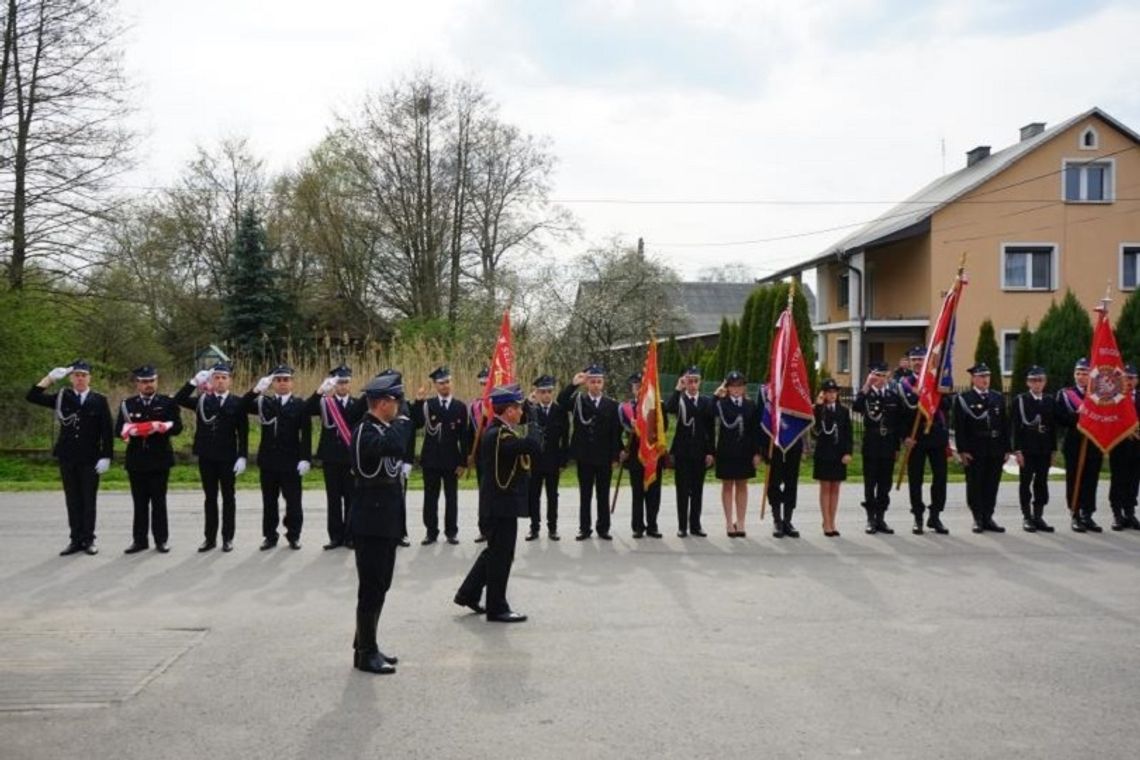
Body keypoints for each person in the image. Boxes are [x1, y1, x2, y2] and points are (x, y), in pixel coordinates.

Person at [454, 383, 542, 623]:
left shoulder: (499, 431)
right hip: (500, 506)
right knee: (502, 556)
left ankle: (468, 593)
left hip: (498, 505)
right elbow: (534, 445)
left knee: (495, 553)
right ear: (509, 411)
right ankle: (497, 607)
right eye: (519, 408)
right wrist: (534, 420)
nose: (521, 413)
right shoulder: (499, 435)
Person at [349, 370, 414, 675]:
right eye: (396, 400)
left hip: (385, 519)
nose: (400, 406)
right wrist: (402, 423)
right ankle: (365, 652)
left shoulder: (384, 427)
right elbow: (395, 446)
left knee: (381, 584)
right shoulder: (367, 430)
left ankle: (366, 641)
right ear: (382, 402)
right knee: (371, 587)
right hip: (371, 520)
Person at [26, 360, 113, 556]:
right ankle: (75, 540)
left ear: (89, 378)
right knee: (72, 500)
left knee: (88, 500)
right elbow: (32, 396)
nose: (80, 378)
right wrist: (49, 379)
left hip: (91, 457)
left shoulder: (99, 399)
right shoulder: (62, 397)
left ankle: (89, 540)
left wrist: (106, 456)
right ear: (71, 378)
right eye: (76, 375)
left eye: (84, 375)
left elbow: (106, 431)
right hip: (68, 456)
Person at [174, 362, 249, 552]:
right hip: (207, 455)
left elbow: (243, 432)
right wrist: (192, 382)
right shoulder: (202, 400)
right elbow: (178, 399)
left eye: (224, 377)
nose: (220, 381)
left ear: (230, 380)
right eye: (217, 377)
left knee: (228, 498)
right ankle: (210, 538)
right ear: (211, 380)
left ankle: (227, 538)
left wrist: (242, 456)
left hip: (228, 456)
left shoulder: (238, 402)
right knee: (210, 498)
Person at [244, 364, 313, 550]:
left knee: (293, 502)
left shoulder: (299, 405)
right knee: (269, 502)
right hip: (269, 461)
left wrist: (306, 458)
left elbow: (306, 433)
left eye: (286, 380)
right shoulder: (264, 402)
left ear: (292, 382)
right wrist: (256, 390)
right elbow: (241, 406)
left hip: (291, 461)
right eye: (278, 380)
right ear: (273, 383)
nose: (282, 383)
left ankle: (293, 535)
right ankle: (270, 536)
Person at [117, 365, 183, 554]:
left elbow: (178, 427)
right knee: (139, 503)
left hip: (159, 459)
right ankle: (139, 541)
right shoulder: (127, 404)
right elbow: (118, 430)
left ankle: (161, 540)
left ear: (157, 381)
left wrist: (161, 426)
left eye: (151, 381)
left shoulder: (167, 403)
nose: (148, 385)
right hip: (136, 460)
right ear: (137, 383)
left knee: (159, 502)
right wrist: (133, 430)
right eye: (144, 381)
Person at [558, 364, 622, 540]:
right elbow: (561, 401)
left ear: (603, 384)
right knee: (585, 495)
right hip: (584, 456)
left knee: (603, 494)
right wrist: (573, 384)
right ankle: (584, 528)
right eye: (592, 381)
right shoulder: (578, 400)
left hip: (604, 456)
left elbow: (616, 433)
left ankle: (603, 528)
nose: (595, 385)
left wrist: (616, 455)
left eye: (598, 382)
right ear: (587, 384)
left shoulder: (612, 404)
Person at [306, 365, 365, 550]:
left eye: (346, 382)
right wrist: (320, 391)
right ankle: (335, 537)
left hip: (350, 458)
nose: (342, 386)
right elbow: (306, 409)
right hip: (330, 457)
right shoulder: (325, 402)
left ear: (350, 383)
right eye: (339, 382)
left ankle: (350, 536)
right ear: (334, 384)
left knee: (351, 499)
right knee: (333, 499)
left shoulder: (358, 404)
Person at [412, 366, 469, 545]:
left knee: (451, 497)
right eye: (441, 383)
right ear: (435, 385)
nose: (445, 386)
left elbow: (464, 437)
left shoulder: (460, 406)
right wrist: (418, 402)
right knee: (430, 497)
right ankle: (431, 532)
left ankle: (451, 532)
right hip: (431, 460)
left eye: (448, 382)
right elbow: (418, 424)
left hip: (452, 460)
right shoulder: (428, 405)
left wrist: (463, 462)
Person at [898, 346, 952, 535]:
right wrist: (904, 437)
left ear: (927, 361)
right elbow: (901, 414)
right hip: (916, 437)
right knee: (915, 479)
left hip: (936, 436)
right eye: (914, 359)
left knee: (940, 478)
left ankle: (935, 516)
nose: (918, 362)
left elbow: (947, 406)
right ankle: (918, 517)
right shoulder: (904, 384)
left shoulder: (936, 381)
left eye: (921, 359)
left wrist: (934, 394)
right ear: (910, 362)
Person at [954, 363, 1010, 533]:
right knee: (975, 484)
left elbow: (1004, 425)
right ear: (973, 379)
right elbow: (959, 427)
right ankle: (977, 517)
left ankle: (988, 517)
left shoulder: (998, 397)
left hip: (995, 448)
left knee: (992, 484)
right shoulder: (964, 399)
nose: (985, 380)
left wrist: (1007, 448)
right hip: (974, 448)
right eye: (981, 377)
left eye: (987, 376)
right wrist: (962, 450)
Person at [664, 366, 716, 537]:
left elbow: (710, 429)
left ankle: (695, 525)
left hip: (700, 452)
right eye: (689, 381)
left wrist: (711, 452)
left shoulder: (706, 401)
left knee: (697, 490)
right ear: (684, 381)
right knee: (683, 490)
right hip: (682, 453)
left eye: (695, 381)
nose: (692, 385)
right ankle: (682, 526)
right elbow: (669, 409)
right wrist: (678, 388)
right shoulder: (679, 399)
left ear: (700, 382)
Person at [852, 361, 900, 534]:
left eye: (884, 376)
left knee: (885, 484)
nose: (880, 379)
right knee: (870, 482)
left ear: (888, 377)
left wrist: (896, 448)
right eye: (877, 375)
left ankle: (881, 518)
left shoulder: (893, 396)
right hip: (872, 443)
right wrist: (866, 386)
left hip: (888, 444)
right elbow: (856, 407)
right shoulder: (867, 395)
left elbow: (897, 424)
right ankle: (870, 518)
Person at [1056, 358, 1103, 532]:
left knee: (1091, 479)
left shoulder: (1099, 394)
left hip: (1094, 443)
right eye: (1078, 373)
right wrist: (1079, 417)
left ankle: (1087, 514)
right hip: (1074, 443)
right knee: (1074, 478)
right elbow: (1059, 417)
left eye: (1084, 373)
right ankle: (1075, 514)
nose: (1081, 377)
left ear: (1090, 375)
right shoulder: (1065, 394)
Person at [711, 370, 759, 537]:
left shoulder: (750, 405)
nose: (737, 389)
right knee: (727, 486)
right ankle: (728, 523)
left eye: (740, 386)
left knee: (742, 485)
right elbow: (708, 413)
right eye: (733, 386)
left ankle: (740, 522)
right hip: (726, 451)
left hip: (745, 452)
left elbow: (755, 431)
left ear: (744, 388)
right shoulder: (721, 404)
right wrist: (716, 396)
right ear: (728, 388)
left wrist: (757, 453)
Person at [619, 372, 667, 539]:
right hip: (635, 456)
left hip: (653, 455)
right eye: (636, 386)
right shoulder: (626, 408)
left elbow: (664, 428)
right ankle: (638, 526)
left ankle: (652, 526)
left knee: (654, 492)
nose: (639, 388)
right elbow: (622, 429)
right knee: (637, 493)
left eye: (642, 385)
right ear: (632, 388)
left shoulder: (658, 407)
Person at [1011, 365, 1057, 533]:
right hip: (1027, 448)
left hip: (1044, 448)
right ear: (1027, 383)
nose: (1037, 384)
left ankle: (1038, 516)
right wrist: (1017, 450)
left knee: (1042, 483)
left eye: (1040, 380)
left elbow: (1052, 427)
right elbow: (1015, 427)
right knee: (1025, 483)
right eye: (1033, 380)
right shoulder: (1020, 400)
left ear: (1045, 382)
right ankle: (1027, 517)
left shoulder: (1050, 400)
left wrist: (1053, 450)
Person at [759, 383, 806, 538]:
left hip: (793, 442)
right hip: (773, 443)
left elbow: (804, 415)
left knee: (791, 482)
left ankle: (788, 520)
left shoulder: (797, 389)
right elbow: (760, 419)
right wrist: (762, 449)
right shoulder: (765, 391)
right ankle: (777, 519)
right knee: (774, 482)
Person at [525, 374, 569, 541]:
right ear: (536, 392)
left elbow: (565, 437)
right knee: (533, 495)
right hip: (535, 460)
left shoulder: (559, 411)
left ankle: (553, 528)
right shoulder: (531, 409)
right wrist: (528, 402)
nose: (546, 395)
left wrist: (563, 460)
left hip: (553, 460)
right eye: (542, 392)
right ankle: (534, 528)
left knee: (552, 495)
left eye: (549, 391)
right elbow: (520, 419)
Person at [812, 379, 853, 537]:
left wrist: (848, 453)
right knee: (825, 487)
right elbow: (814, 432)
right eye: (828, 392)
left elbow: (848, 434)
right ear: (823, 394)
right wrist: (818, 407)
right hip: (823, 454)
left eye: (834, 392)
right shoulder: (818, 410)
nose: (831, 395)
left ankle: (832, 520)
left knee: (835, 488)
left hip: (839, 454)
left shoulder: (843, 411)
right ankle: (826, 521)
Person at [1108, 364, 1140, 531]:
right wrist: (1125, 431)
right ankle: (1117, 513)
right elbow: (1109, 418)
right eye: (1125, 377)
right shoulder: (1115, 397)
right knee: (1118, 479)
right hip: (1119, 445)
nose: (1128, 381)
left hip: (1137, 446)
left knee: (1134, 480)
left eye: (1132, 378)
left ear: (1137, 380)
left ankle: (1130, 512)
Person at [467, 366, 491, 544]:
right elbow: (469, 433)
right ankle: (484, 529)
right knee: (483, 493)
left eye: (487, 383)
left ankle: (496, 529)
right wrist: (470, 455)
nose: (485, 387)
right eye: (482, 384)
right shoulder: (474, 406)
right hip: (482, 455)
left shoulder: (500, 404)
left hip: (498, 454)